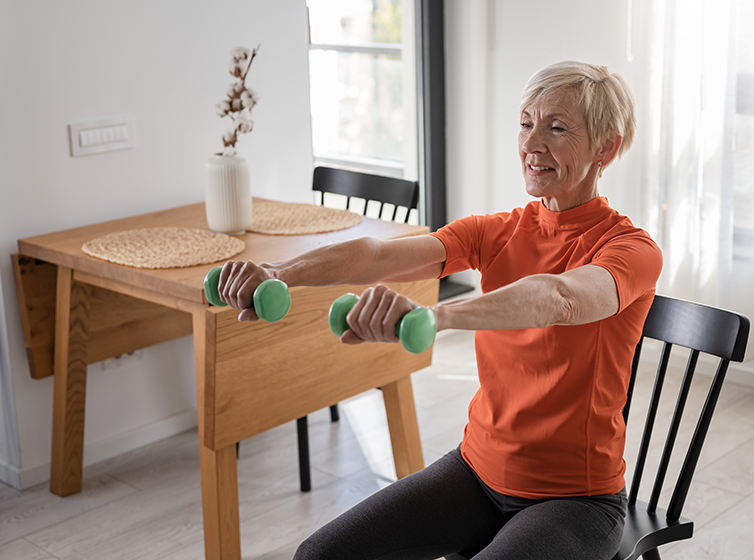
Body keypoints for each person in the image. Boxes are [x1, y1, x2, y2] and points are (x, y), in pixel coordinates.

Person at [216, 60, 663, 560]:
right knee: (319, 555)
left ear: (607, 146)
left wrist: (439, 317)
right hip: (476, 472)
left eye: (556, 128)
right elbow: (379, 255)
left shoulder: (630, 249)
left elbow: (562, 298)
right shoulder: (499, 230)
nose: (532, 143)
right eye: (525, 122)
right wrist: (282, 274)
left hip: (576, 501)